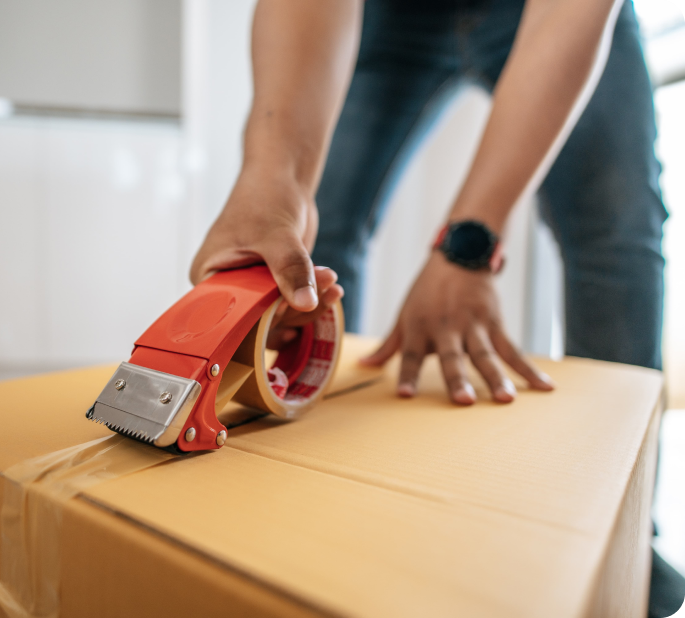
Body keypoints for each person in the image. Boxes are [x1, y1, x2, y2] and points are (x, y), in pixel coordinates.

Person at [190, 1, 684, 615]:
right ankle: (308, 483)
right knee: (316, 238)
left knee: (617, 232)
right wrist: (270, 181)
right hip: (391, 13)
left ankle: (629, 538)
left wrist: (468, 242)